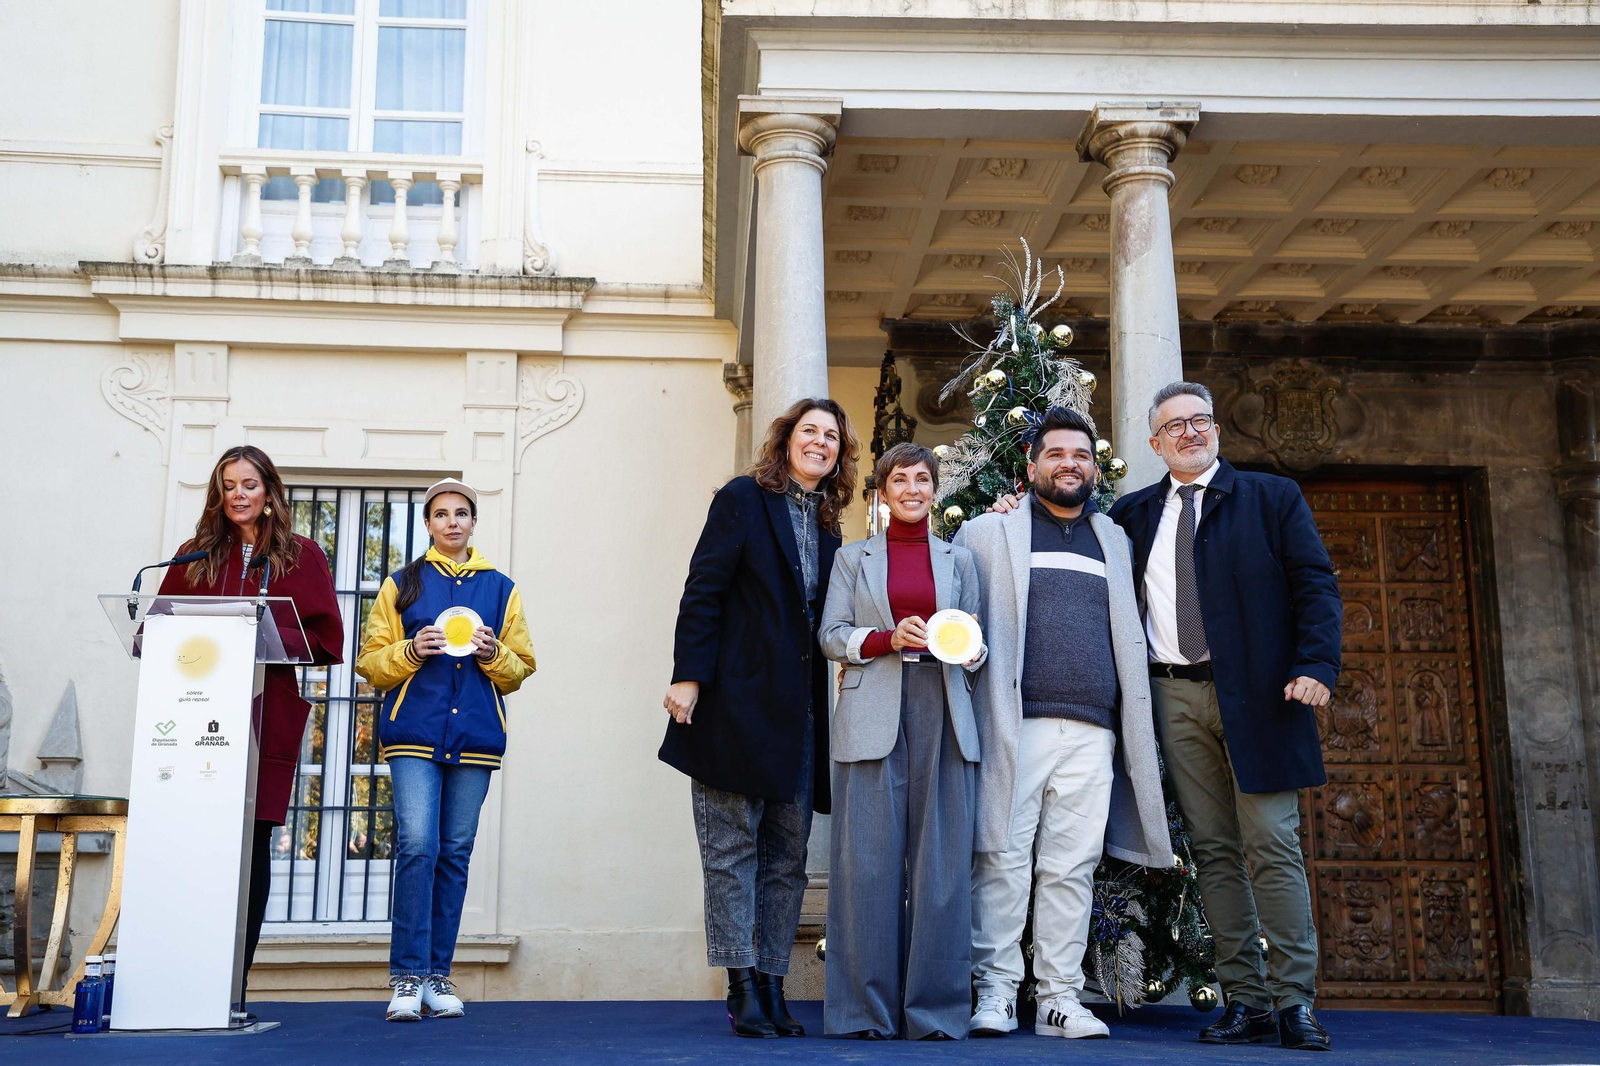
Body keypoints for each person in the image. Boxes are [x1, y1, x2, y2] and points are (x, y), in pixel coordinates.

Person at [1109, 382, 1340, 1052]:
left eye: (1200, 420)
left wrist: (1316, 666)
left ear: (1215, 430)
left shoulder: (1270, 498)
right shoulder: (1132, 515)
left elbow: (1315, 584)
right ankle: (1247, 1000)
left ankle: (1295, 1000)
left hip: (1263, 696)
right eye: (1174, 426)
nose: (1189, 432)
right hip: (1172, 696)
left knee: (1271, 841)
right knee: (1212, 853)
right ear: (1155, 443)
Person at [955, 407, 1174, 1041]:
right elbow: (960, 624)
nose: (1069, 463)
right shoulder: (986, 533)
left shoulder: (1114, 538)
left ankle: (1057, 998)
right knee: (1000, 858)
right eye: (1055, 454)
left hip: (1095, 731)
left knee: (1071, 867)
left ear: (1094, 466)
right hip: (1012, 725)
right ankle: (995, 992)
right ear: (1031, 466)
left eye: (1080, 454)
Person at [659, 397, 859, 1038]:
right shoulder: (743, 498)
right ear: (787, 440)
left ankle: (773, 984)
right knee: (730, 851)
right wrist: (688, 676)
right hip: (733, 705)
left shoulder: (830, 525)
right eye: (811, 431)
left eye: (832, 437)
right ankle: (740, 985)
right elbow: (704, 588)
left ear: (839, 454)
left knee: (786, 857)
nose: (821, 443)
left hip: (799, 715)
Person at [155, 445, 343, 1011]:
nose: (238, 494)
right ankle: (183, 977)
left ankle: (231, 984)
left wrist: (258, 626)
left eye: (249, 484)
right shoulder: (195, 554)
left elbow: (326, 638)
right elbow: (157, 628)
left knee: (250, 844)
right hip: (191, 722)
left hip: (264, 713)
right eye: (228, 485)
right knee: (192, 843)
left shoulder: (299, 554)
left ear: (270, 492)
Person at [817, 442, 986, 1040]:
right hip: (872, 712)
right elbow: (831, 635)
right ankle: (864, 1013)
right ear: (882, 492)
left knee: (941, 868)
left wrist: (968, 647)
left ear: (935, 491)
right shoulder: (851, 559)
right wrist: (886, 638)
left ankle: (936, 1014)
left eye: (922, 479)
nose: (912, 489)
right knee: (865, 866)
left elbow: (977, 644)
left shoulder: (960, 560)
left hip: (943, 707)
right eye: (899, 480)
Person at [356, 478, 536, 1022]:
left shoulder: (502, 588)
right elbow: (370, 662)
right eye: (441, 514)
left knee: (455, 852)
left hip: (476, 737)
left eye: (462, 513)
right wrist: (411, 650)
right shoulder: (402, 585)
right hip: (413, 732)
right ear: (429, 523)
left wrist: (494, 652)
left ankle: (437, 976)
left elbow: (521, 668)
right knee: (416, 846)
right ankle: (407, 979)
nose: (452, 522)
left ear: (473, 522)